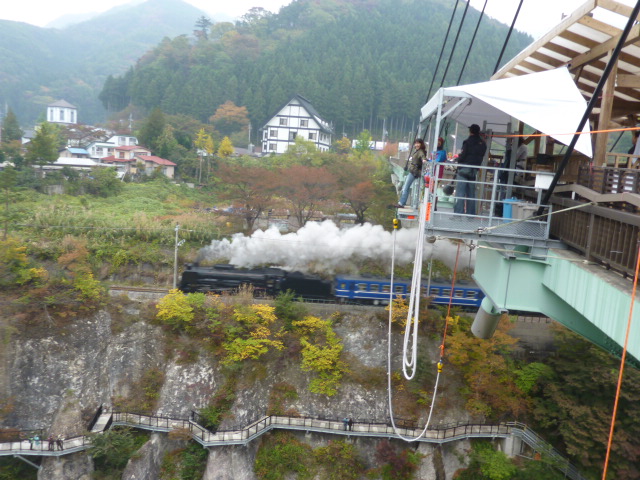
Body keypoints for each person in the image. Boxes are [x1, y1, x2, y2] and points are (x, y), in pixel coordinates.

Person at [454, 124, 487, 215]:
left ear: (470, 131)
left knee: (460, 193)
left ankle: (458, 214)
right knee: (471, 194)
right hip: (474, 170)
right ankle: (470, 214)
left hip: (464, 169)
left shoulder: (467, 142)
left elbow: (463, 155)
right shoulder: (482, 143)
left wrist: (458, 159)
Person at [394, 139, 427, 208]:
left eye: (418, 143)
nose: (417, 145)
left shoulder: (420, 151)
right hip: (413, 170)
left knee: (406, 187)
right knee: (406, 187)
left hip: (414, 171)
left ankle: (401, 203)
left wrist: (424, 160)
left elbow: (422, 156)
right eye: (416, 143)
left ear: (421, 144)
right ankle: (402, 202)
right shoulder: (417, 151)